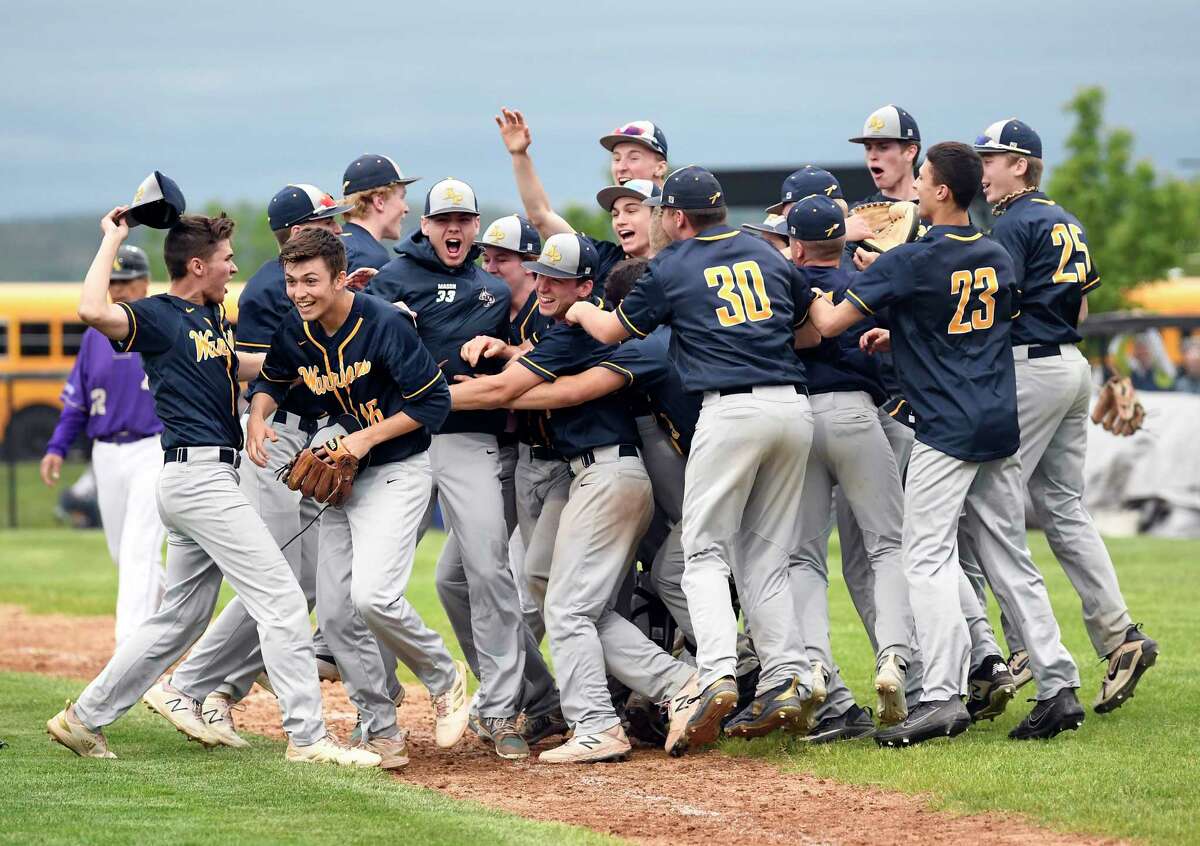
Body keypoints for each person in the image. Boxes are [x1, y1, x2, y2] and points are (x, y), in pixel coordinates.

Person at [46, 207, 376, 767]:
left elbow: (252, 365)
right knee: (279, 597)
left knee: (181, 617)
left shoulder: (210, 321)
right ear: (197, 265)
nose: (233, 266)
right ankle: (308, 736)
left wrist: (343, 308)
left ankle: (83, 718)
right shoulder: (159, 315)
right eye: (225, 259)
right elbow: (90, 309)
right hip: (197, 478)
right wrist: (114, 237)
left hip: (202, 478)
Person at [808, 141, 1083, 746]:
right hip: (996, 419)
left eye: (923, 177)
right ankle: (1058, 684)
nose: (914, 187)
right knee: (1010, 557)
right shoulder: (995, 253)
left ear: (938, 191)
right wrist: (898, 334)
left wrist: (794, 276)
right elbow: (965, 322)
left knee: (925, 557)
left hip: (945, 427)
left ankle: (941, 695)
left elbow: (827, 324)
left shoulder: (910, 258)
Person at [566, 167, 825, 750]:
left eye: (661, 211)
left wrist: (578, 312)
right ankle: (785, 672)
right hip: (793, 407)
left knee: (702, 553)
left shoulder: (674, 264)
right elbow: (808, 334)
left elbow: (611, 330)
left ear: (677, 217)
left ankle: (715, 674)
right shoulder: (766, 254)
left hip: (731, 411)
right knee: (764, 554)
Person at [164, 183, 407, 749]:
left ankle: (213, 685)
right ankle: (205, 685)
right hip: (277, 439)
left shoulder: (311, 282)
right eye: (324, 220)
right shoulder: (279, 284)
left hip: (308, 438)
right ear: (297, 233)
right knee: (275, 581)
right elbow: (251, 369)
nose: (336, 228)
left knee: (301, 581)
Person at [450, 233, 699, 764]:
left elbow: (506, 392)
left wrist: (426, 398)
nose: (543, 285)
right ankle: (680, 683)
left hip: (609, 474)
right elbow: (542, 364)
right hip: (590, 475)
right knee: (547, 588)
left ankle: (597, 723)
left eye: (558, 278)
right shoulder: (566, 328)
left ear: (586, 287)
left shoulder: (576, 330)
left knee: (568, 608)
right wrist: (509, 352)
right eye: (540, 274)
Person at [249, 227, 471, 766]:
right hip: (343, 478)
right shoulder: (295, 330)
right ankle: (381, 728)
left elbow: (434, 404)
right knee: (337, 612)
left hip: (397, 470)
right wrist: (258, 415)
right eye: (291, 281)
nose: (299, 291)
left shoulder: (384, 324)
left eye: (310, 280)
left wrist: (363, 439)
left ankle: (445, 678)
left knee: (374, 597)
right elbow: (274, 380)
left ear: (341, 278)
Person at [977, 118, 1159, 712]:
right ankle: (1119, 635)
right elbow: (1080, 305)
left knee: (993, 499)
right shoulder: (1065, 219)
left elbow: (992, 307)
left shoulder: (1012, 222)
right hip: (1070, 363)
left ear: (1022, 165)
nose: (983, 170)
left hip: (1028, 366)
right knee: (1064, 506)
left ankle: (1030, 649)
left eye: (993, 159)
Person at [367, 179, 540, 760]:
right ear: (425, 224)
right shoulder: (391, 280)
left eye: (464, 220)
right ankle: (378, 713)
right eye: (444, 220)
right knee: (375, 580)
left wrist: (499, 347)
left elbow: (527, 355)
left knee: (489, 572)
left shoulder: (493, 290)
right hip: (403, 442)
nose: (455, 230)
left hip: (471, 442)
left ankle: (501, 709)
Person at [781, 195, 909, 740]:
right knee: (887, 545)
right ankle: (898, 662)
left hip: (798, 416)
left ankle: (816, 670)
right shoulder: (867, 280)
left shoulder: (782, 282)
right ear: (843, 239)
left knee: (803, 558)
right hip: (857, 414)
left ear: (796, 244)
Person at [41, 244, 167, 646]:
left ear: (145, 283)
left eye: (127, 281)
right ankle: (177, 622)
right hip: (106, 455)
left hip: (154, 449)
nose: (119, 289)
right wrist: (57, 446)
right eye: (113, 283)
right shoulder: (97, 336)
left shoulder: (160, 325)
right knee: (125, 555)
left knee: (138, 551)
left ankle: (129, 652)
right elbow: (77, 401)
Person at [494, 109, 660, 286]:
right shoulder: (603, 259)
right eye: (615, 213)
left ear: (661, 167)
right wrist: (519, 155)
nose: (621, 167)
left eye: (634, 157)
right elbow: (541, 217)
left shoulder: (683, 255)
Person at [339, 154, 420, 272]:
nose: (406, 208)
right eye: (402, 197)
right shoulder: (369, 258)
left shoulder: (336, 242)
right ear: (379, 201)